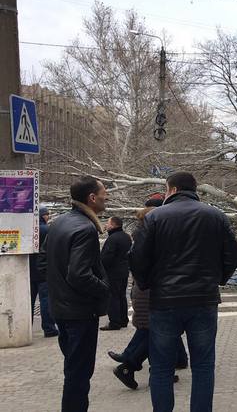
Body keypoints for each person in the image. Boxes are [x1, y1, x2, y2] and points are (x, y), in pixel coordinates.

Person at [132, 172, 237, 412]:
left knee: (161, 368)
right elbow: (233, 254)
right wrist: (218, 279)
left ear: (171, 189)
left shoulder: (155, 217)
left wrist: (147, 283)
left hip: (164, 301)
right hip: (203, 299)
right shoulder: (215, 216)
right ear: (194, 189)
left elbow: (138, 257)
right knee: (203, 367)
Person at [109, 198, 188, 390]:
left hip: (146, 289)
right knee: (156, 333)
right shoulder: (154, 239)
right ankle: (132, 364)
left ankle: (133, 363)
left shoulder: (143, 236)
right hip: (153, 291)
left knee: (153, 332)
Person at [46, 176, 110, 412]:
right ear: (92, 198)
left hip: (61, 309)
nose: (107, 196)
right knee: (79, 374)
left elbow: (46, 263)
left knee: (73, 369)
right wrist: (105, 288)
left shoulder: (60, 222)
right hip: (80, 313)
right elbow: (79, 274)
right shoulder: (85, 228)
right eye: (104, 192)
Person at [100, 217, 132, 331]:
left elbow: (107, 257)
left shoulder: (112, 239)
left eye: (108, 223)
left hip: (113, 272)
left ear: (113, 225)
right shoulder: (126, 237)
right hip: (124, 271)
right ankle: (123, 320)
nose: (106, 225)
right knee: (121, 295)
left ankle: (114, 322)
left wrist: (100, 268)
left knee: (113, 296)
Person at [30, 206, 58, 337]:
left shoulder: (29, 230)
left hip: (29, 271)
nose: (48, 216)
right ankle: (49, 328)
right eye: (47, 214)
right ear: (42, 216)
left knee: (29, 301)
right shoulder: (48, 230)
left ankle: (27, 328)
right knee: (46, 300)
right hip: (44, 271)